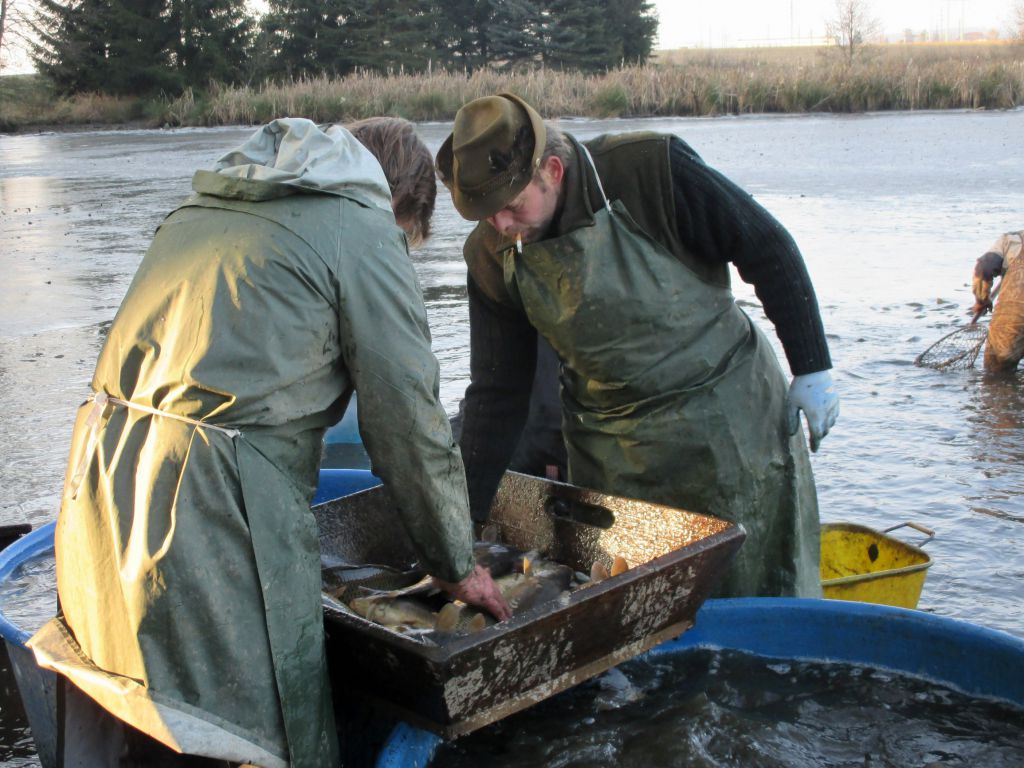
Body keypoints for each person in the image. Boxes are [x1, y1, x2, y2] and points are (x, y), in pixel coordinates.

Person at [27, 117, 509, 768]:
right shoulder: (362, 225)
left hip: (98, 481)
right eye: (405, 241)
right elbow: (411, 424)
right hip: (211, 501)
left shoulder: (207, 206)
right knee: (267, 728)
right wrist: (455, 563)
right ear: (397, 203)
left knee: (129, 702)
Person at [436, 93, 840, 598]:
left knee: (751, 582)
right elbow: (498, 392)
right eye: (486, 213)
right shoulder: (490, 255)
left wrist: (811, 364)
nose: (500, 225)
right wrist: (465, 519)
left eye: (512, 206)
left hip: (726, 422)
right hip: (612, 450)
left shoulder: (651, 169)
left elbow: (766, 246)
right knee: (633, 600)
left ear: (553, 172)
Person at [971, 230, 1024, 372]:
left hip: (1013, 322)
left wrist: (982, 299)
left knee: (996, 373)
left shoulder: (1012, 240)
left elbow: (984, 268)